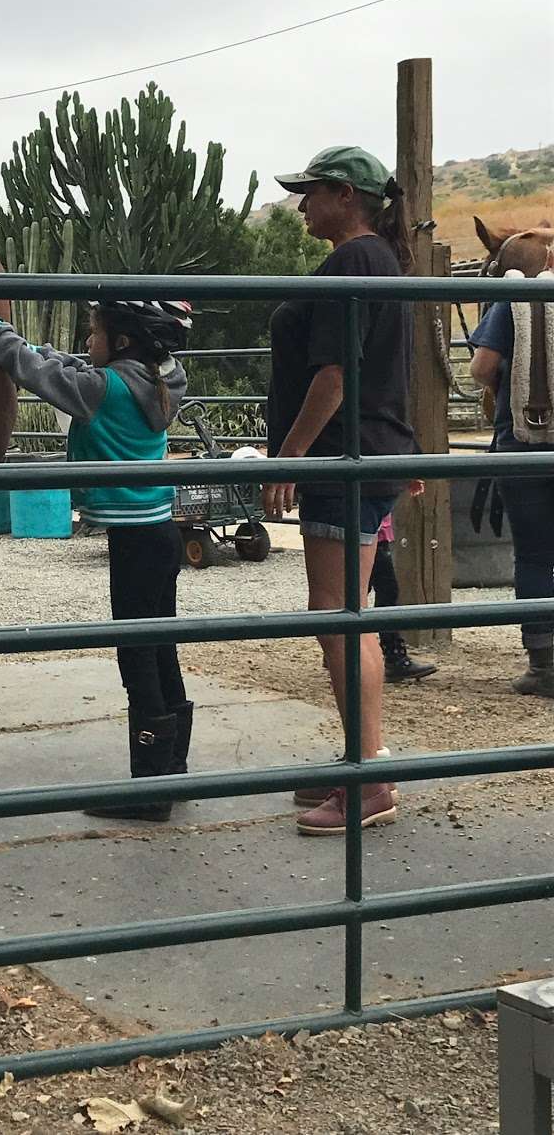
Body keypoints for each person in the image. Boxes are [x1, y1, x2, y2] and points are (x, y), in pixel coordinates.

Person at [0, 295, 193, 819]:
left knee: (136, 658)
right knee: (162, 648)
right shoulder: (164, 377)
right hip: (160, 534)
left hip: (134, 543)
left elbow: (32, 369)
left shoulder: (100, 389)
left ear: (124, 342)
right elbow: (71, 364)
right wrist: (67, 354)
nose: (88, 342)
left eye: (95, 332)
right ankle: (171, 770)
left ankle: (149, 791)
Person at [261, 145, 417, 835]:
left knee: (338, 616)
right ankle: (362, 759)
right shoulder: (382, 262)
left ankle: (371, 777)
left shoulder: (352, 263)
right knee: (342, 614)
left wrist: (288, 458)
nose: (301, 204)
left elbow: (337, 375)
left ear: (346, 196)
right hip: (365, 454)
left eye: (312, 192)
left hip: (340, 461)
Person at [469, 249, 554, 698]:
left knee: (535, 556)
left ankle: (543, 664)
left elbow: (482, 368)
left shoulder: (516, 298)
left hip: (521, 442)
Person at [370, 509, 438, 682]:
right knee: (386, 591)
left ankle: (341, 649)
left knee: (367, 590)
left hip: (374, 528)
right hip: (371, 527)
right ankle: (394, 657)